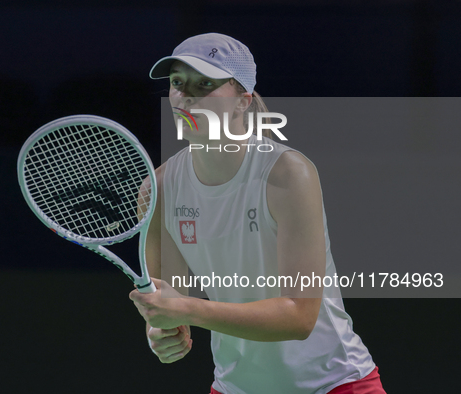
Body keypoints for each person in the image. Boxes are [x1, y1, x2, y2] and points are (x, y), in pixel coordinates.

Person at [129, 33, 386, 394]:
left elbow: (299, 315)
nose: (186, 95)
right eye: (177, 83)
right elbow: (170, 296)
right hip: (236, 386)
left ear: (242, 101)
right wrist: (160, 329)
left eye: (205, 84)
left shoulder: (286, 174)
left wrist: (187, 311)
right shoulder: (158, 190)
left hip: (334, 383)